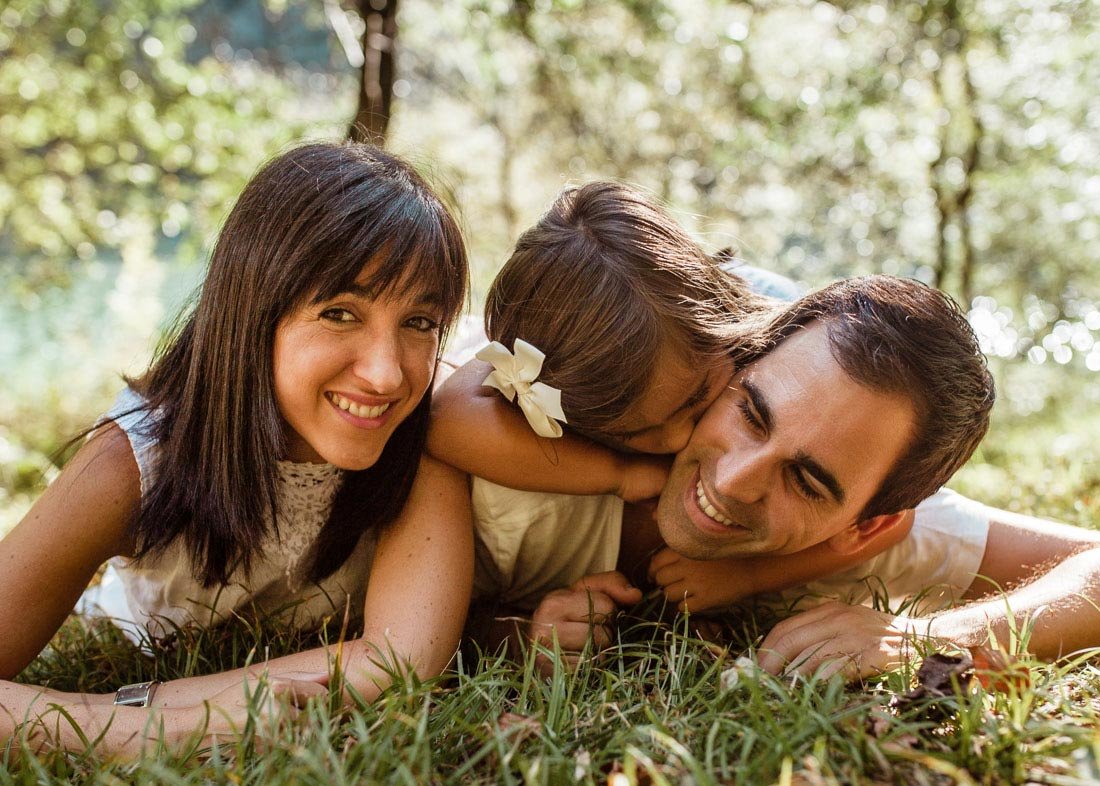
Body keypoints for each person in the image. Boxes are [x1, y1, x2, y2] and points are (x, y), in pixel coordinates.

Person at [0, 142, 473, 757]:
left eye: (419, 323)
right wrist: (137, 727)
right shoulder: (133, 462)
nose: (387, 376)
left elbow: (399, 660)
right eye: (338, 313)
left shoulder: (423, 435)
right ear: (251, 312)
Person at [428, 183, 941, 662]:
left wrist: (747, 575)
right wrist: (619, 472)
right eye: (633, 436)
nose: (675, 439)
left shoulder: (784, 364)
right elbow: (448, 420)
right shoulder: (553, 368)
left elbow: (894, 520)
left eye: (695, 400)